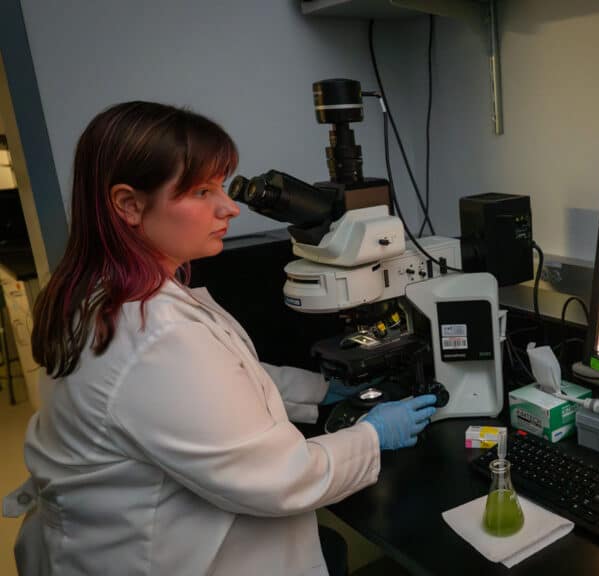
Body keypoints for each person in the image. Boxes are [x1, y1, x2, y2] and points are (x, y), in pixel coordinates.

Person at [3, 101, 437, 575]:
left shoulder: (103, 291)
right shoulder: (154, 338)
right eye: (201, 190)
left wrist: (320, 390)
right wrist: (372, 436)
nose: (229, 206)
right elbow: (281, 478)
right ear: (128, 204)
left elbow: (218, 383)